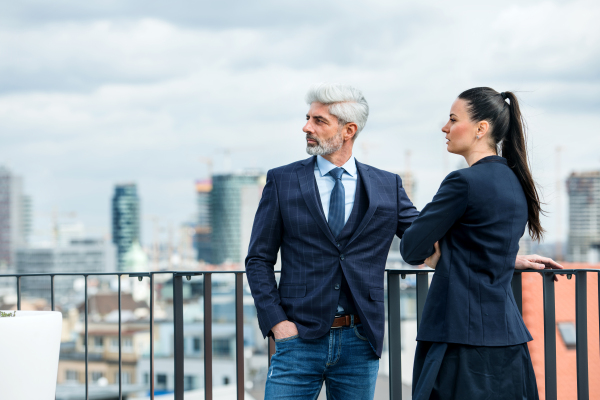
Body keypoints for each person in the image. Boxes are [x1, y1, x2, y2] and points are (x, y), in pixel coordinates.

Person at [246, 83, 561, 400]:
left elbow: (424, 234)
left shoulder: (386, 185)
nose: (307, 127)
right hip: (298, 339)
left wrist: (503, 257)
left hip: (359, 342)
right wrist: (277, 324)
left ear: (348, 130)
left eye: (319, 121)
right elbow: (258, 259)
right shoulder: (282, 180)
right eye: (308, 118)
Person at [401, 87, 550, 399]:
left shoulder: (463, 182)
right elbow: (487, 244)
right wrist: (508, 260)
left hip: (460, 340)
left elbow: (411, 248)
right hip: (507, 339)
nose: (445, 128)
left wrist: (437, 252)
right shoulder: (515, 182)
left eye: (453, 119)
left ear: (482, 128)